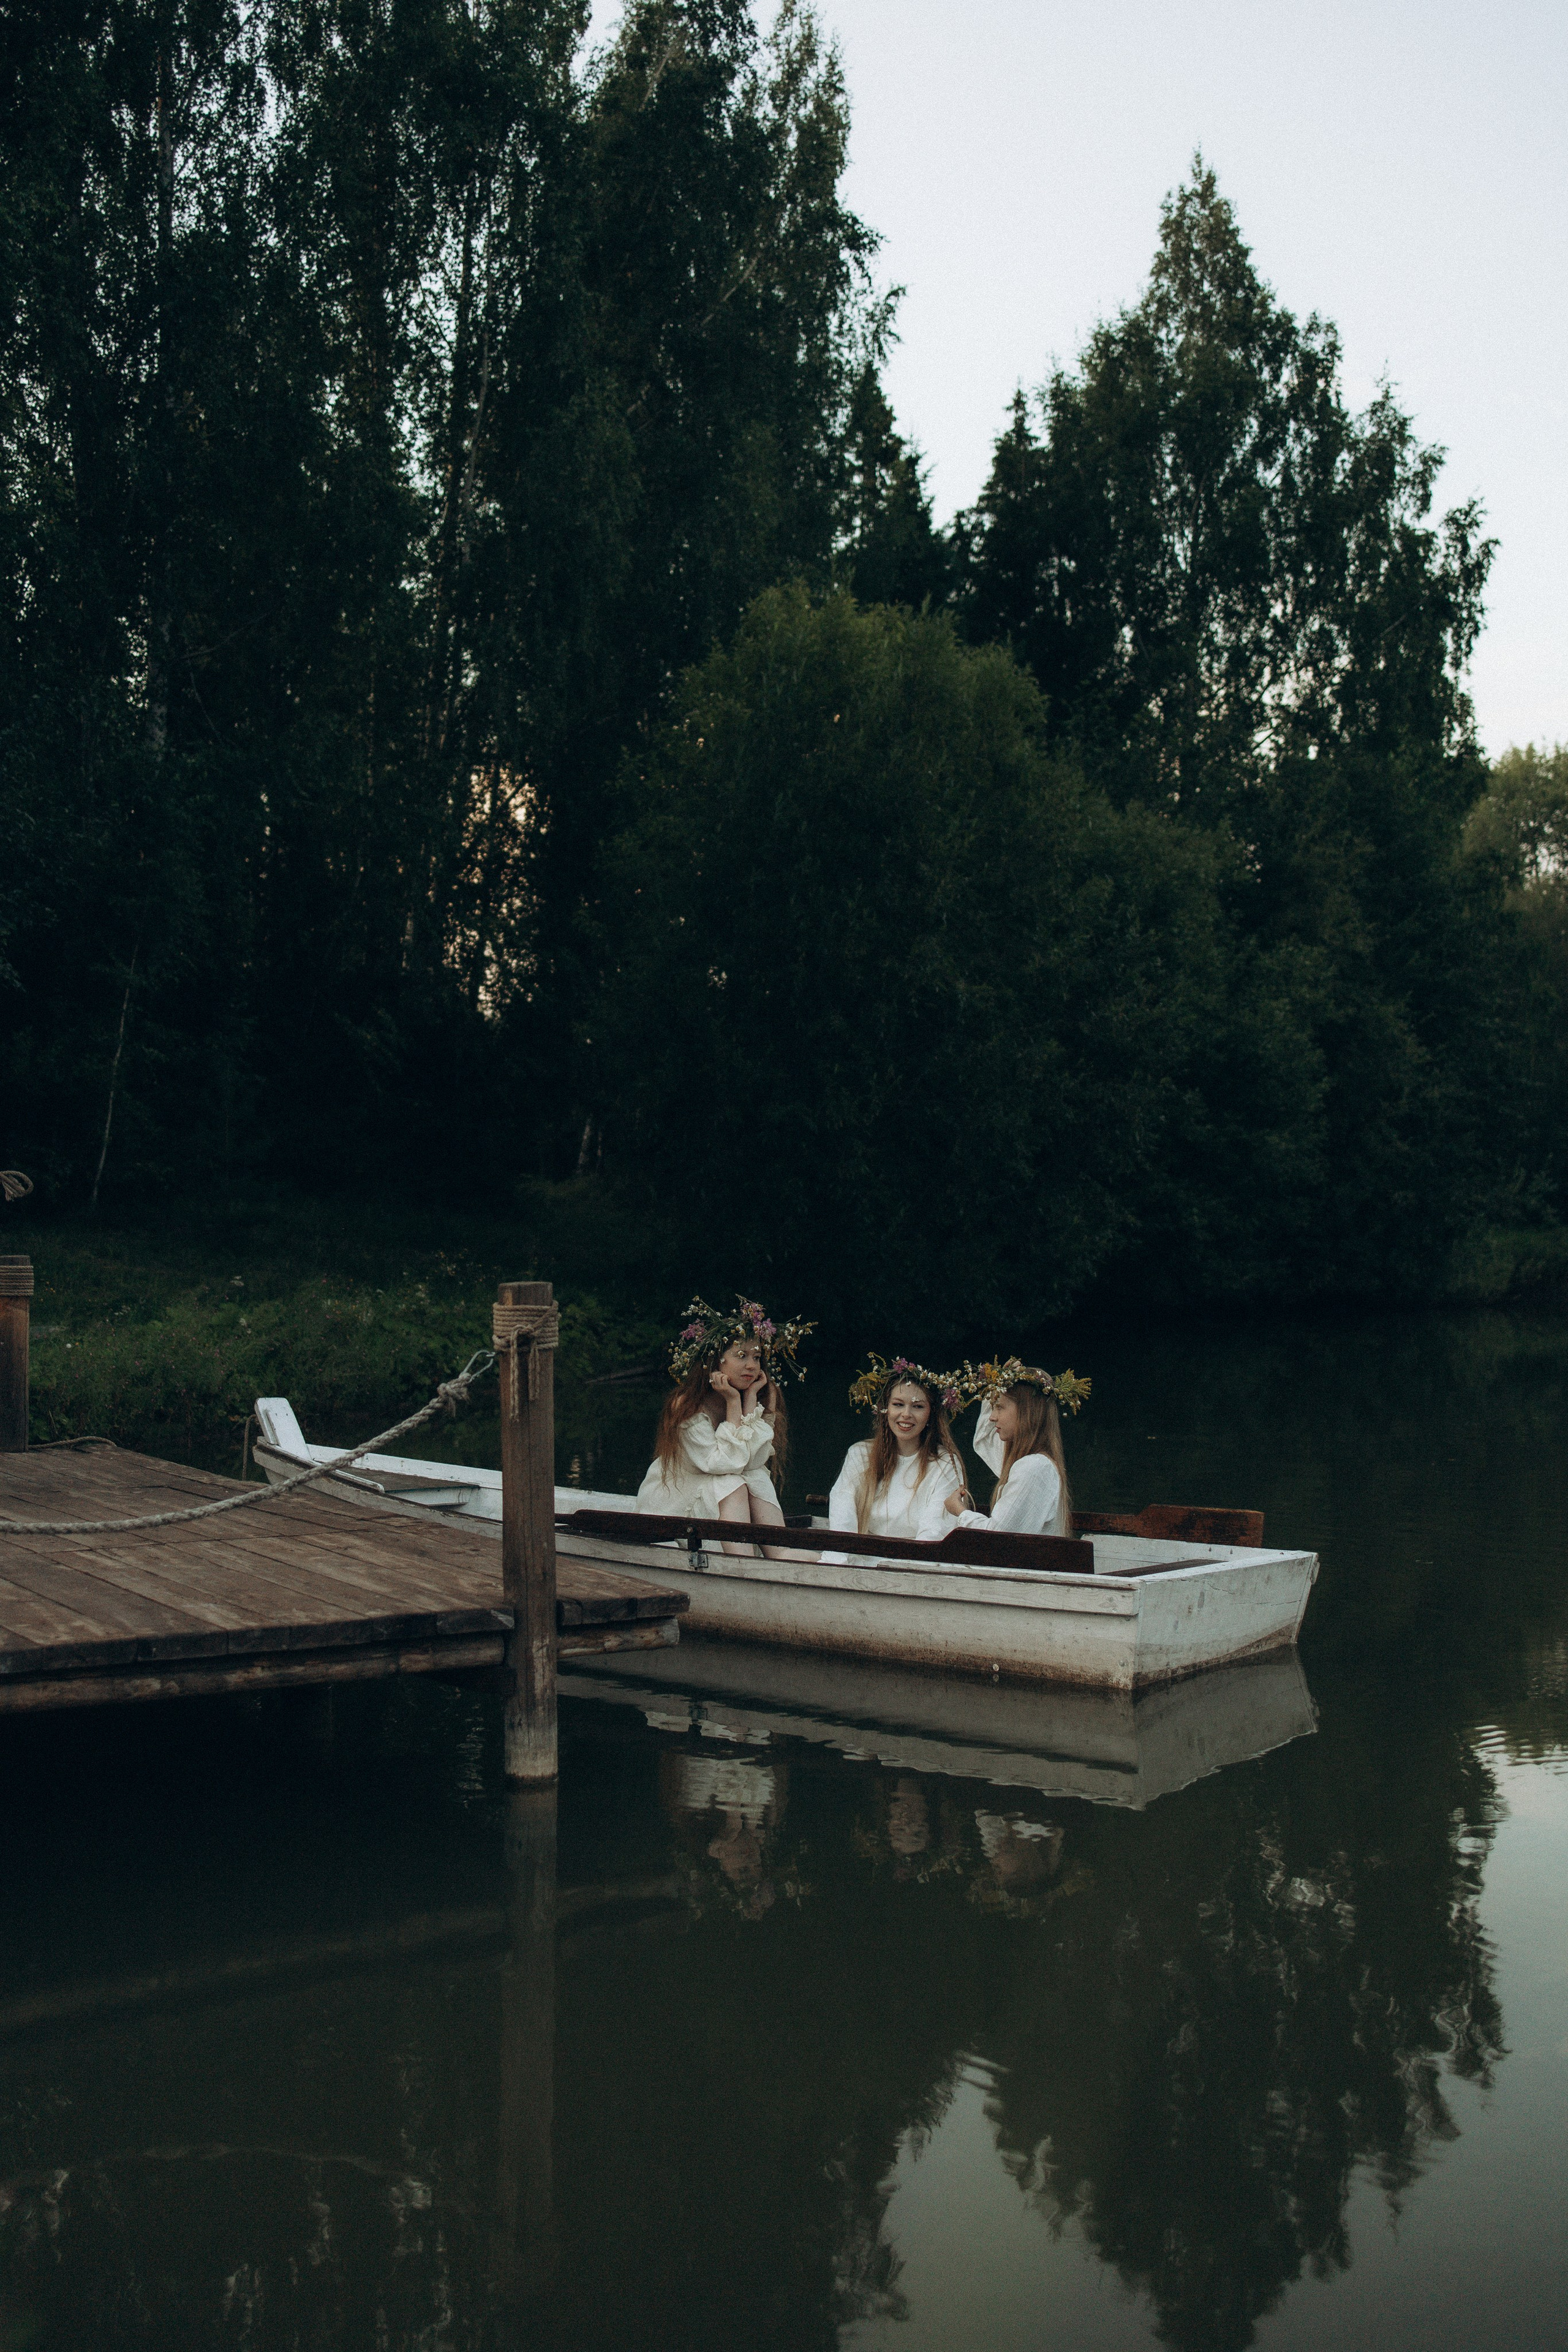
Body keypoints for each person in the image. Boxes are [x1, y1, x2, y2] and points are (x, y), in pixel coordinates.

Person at [636, 1295, 814, 1556]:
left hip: (726, 1491)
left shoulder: (760, 1393)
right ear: (717, 1360)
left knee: (755, 1477)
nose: (752, 1366)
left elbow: (753, 1461)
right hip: (678, 1496)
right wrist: (733, 1403)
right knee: (731, 1482)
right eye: (741, 1356)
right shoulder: (687, 1404)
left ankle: (780, 1553)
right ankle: (740, 1559)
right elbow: (723, 1465)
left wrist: (750, 1401)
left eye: (757, 1357)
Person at [944, 1359, 1091, 1537]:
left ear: (1026, 1412)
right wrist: (995, 1386)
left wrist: (960, 1512)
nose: (992, 1417)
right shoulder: (1025, 1463)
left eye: (999, 1407)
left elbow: (998, 1537)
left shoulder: (1034, 1468)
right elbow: (985, 1439)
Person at [828, 1356, 965, 1547]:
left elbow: (934, 1530)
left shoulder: (944, 1462)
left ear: (930, 1413)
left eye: (917, 1406)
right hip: (861, 1555)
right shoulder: (860, 1454)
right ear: (885, 1409)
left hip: (915, 1560)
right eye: (898, 1404)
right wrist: (840, 1562)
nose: (906, 1415)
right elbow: (843, 1518)